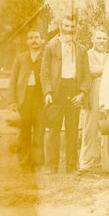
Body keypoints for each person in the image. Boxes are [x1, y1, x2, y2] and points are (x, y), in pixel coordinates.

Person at [40, 16, 91, 173]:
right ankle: (51, 166)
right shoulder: (50, 47)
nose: (69, 29)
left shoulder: (81, 49)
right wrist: (48, 92)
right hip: (57, 90)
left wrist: (82, 93)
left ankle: (71, 166)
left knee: (72, 129)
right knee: (54, 129)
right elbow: (44, 73)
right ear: (61, 26)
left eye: (72, 27)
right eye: (66, 26)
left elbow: (86, 75)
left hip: (73, 90)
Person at [8, 29, 45, 170]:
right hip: (24, 99)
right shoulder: (20, 58)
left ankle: (38, 164)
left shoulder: (46, 56)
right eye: (31, 38)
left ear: (42, 40)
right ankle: (24, 164)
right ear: (27, 41)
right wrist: (12, 101)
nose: (34, 40)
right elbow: (13, 81)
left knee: (39, 133)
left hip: (40, 99)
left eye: (37, 37)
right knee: (24, 133)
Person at [79, 28, 109, 173]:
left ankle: (107, 163)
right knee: (90, 129)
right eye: (98, 38)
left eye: (104, 38)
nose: (101, 41)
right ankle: (86, 162)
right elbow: (88, 72)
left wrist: (100, 70)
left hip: (108, 95)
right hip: (92, 93)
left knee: (108, 128)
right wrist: (104, 70)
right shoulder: (86, 55)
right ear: (92, 39)